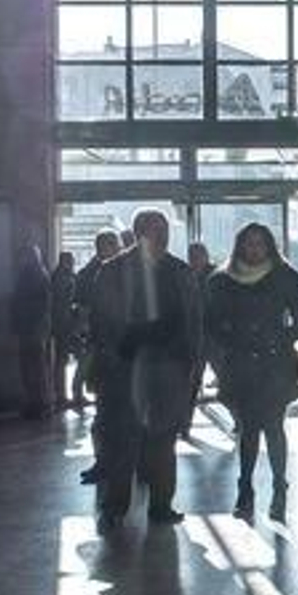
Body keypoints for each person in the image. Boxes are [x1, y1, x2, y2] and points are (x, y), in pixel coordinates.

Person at [89, 209, 199, 531]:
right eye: (152, 230)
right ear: (137, 234)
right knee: (123, 439)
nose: (159, 236)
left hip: (169, 366)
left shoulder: (179, 271)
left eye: (163, 230)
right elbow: (101, 322)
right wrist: (112, 356)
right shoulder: (113, 272)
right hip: (127, 367)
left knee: (163, 440)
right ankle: (114, 507)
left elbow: (194, 319)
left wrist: (190, 359)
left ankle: (161, 504)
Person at [205, 223, 298, 521]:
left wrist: (283, 337)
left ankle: (279, 488)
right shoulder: (223, 280)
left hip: (275, 363)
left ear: (269, 246)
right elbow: (211, 321)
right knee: (249, 429)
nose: (254, 249)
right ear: (240, 246)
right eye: (249, 243)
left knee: (275, 427)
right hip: (240, 362)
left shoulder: (283, 276)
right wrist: (230, 341)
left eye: (260, 243)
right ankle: (245, 490)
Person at [74, 230, 122, 483]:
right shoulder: (127, 273)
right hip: (108, 351)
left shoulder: (90, 275)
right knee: (105, 415)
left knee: (106, 415)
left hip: (110, 350)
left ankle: (109, 463)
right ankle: (108, 462)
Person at [11, 245, 52, 418]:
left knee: (33, 367)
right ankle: (39, 403)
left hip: (32, 327)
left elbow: (35, 304)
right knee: (34, 366)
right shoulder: (39, 274)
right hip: (33, 327)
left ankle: (39, 404)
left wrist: (21, 322)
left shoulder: (31, 276)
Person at [185, 241, 214, 423]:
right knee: (192, 381)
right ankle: (185, 421)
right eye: (192, 257)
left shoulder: (215, 276)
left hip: (212, 333)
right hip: (196, 335)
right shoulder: (186, 275)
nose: (195, 260)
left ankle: (239, 418)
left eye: (198, 256)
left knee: (225, 379)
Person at [50, 251, 79, 411]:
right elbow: (64, 301)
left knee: (62, 360)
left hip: (62, 322)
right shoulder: (63, 278)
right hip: (63, 323)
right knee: (61, 360)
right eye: (71, 260)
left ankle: (62, 394)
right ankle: (61, 395)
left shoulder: (60, 276)